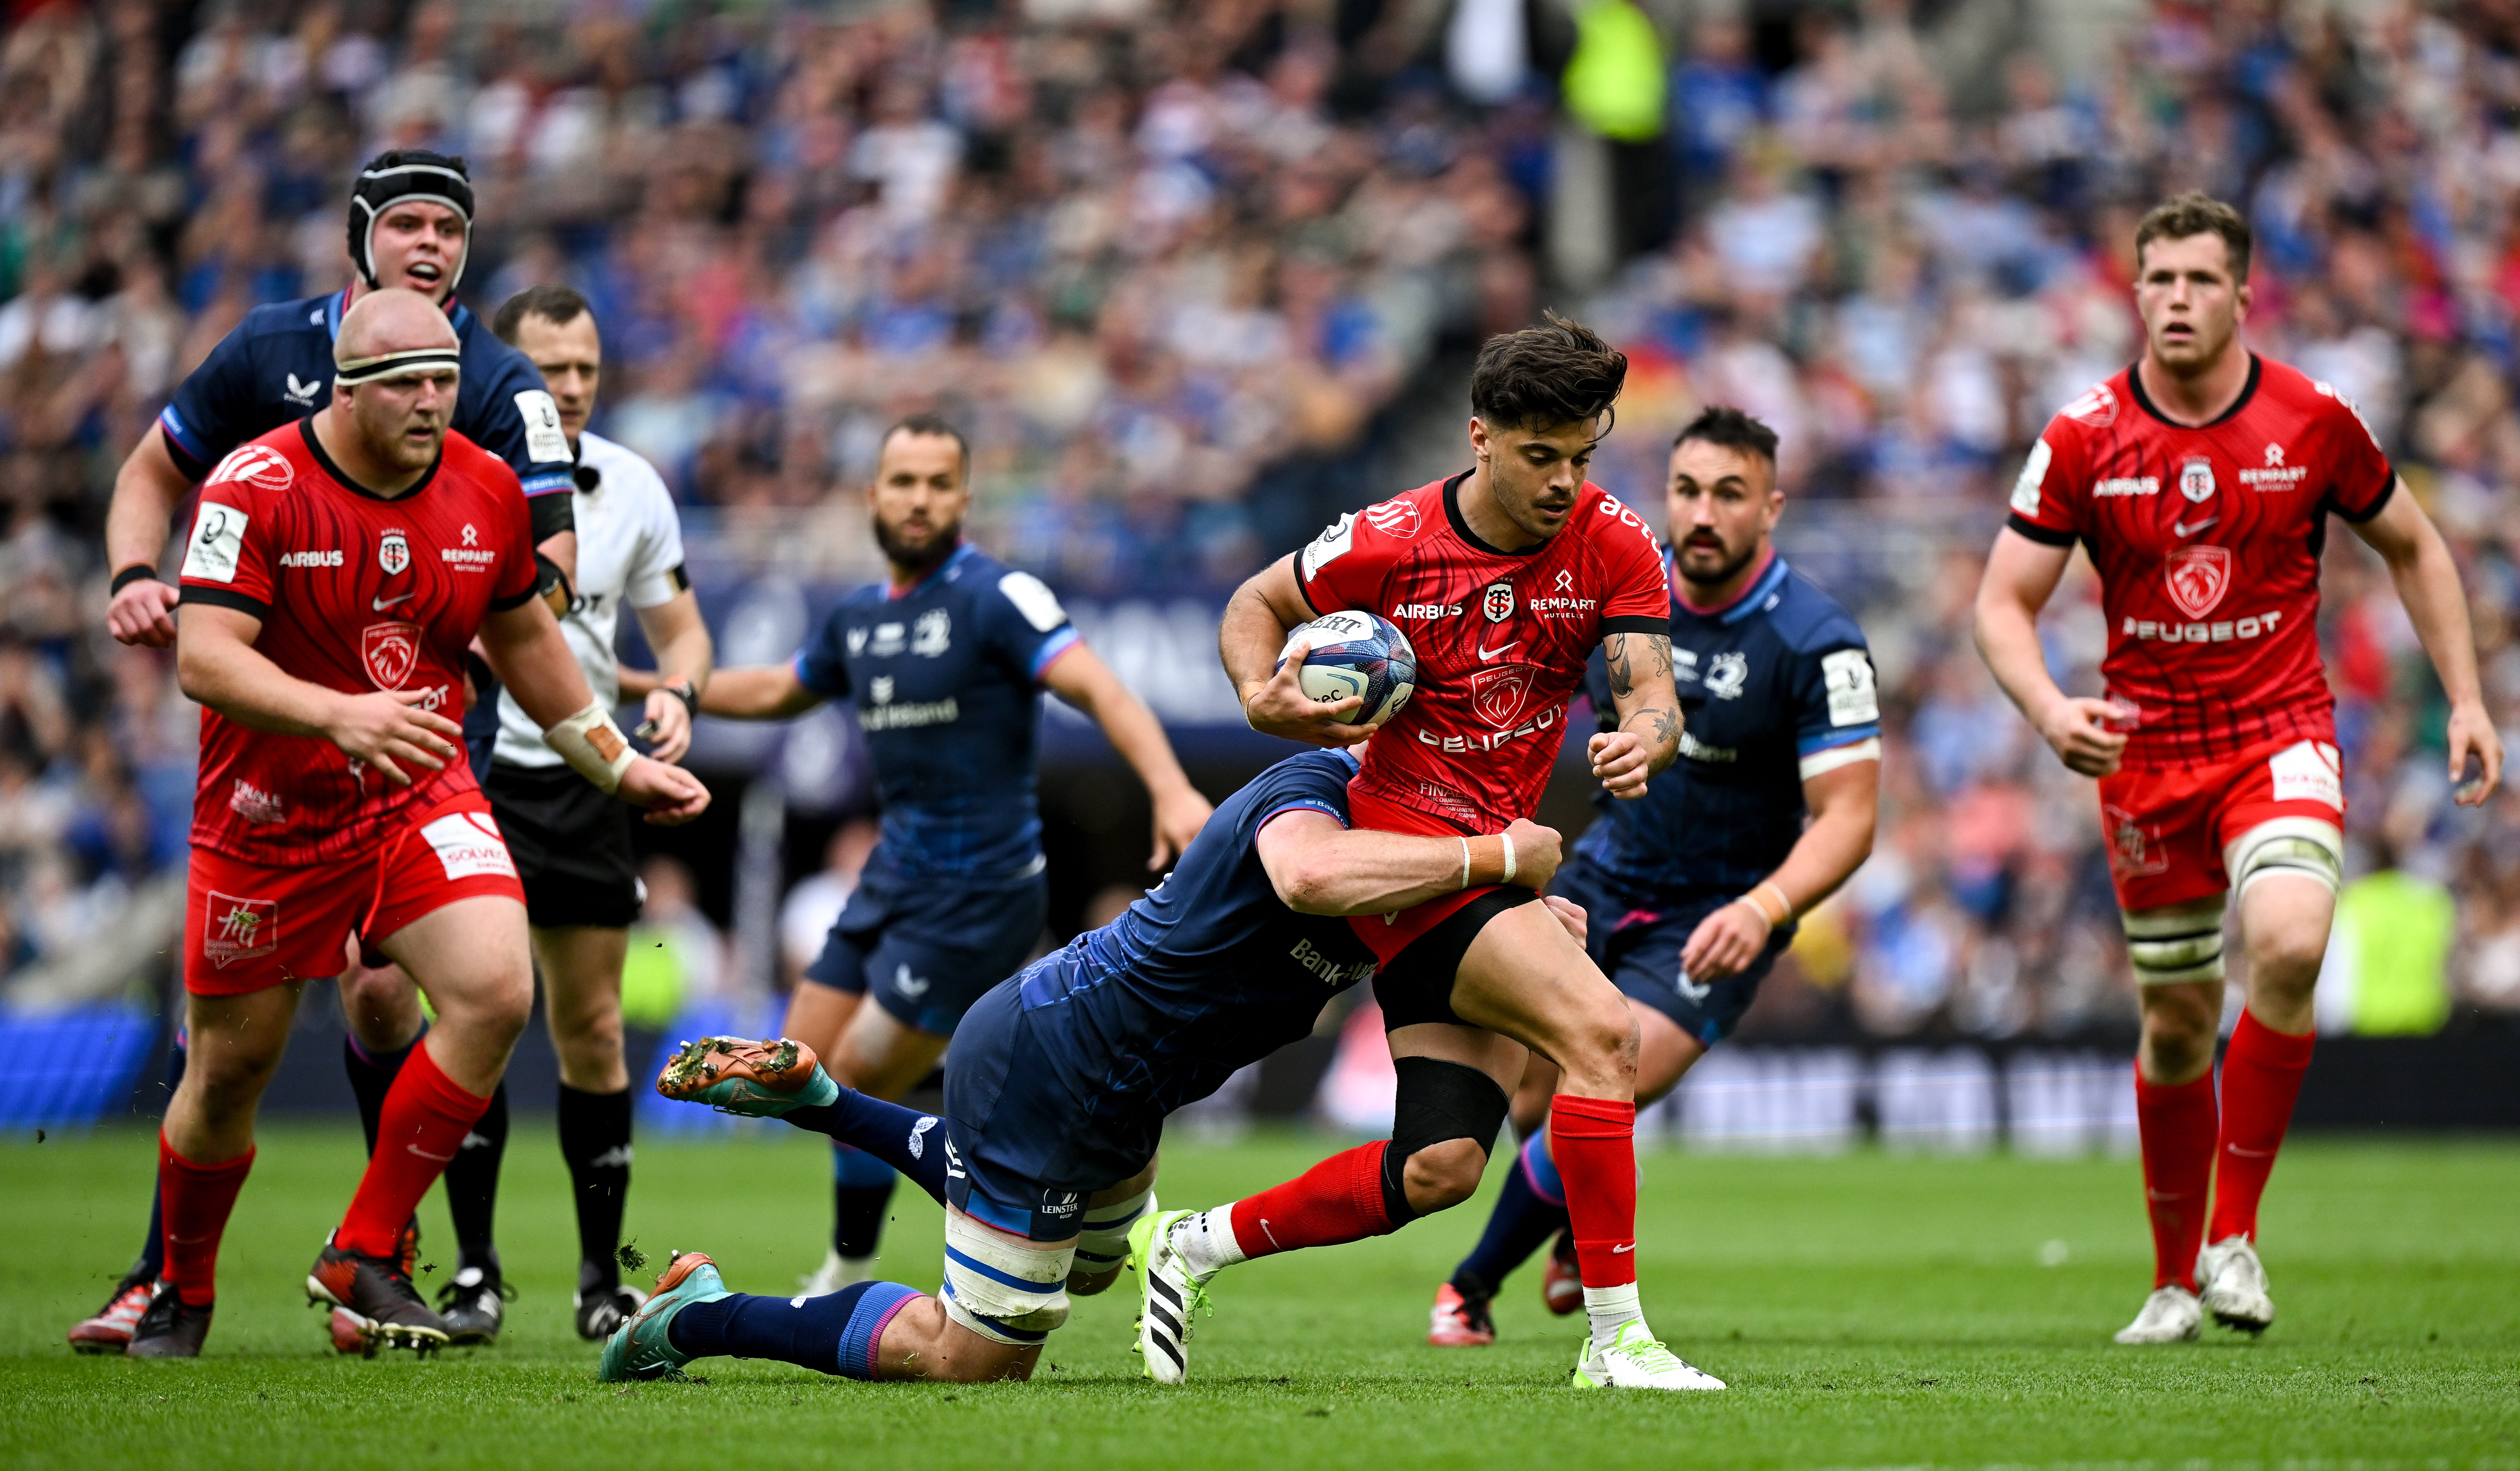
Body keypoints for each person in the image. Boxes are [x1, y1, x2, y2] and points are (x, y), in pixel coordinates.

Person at [119, 289, 707, 1359]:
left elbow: (532, 649)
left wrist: (616, 764)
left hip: (416, 791)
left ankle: (366, 1245)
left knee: (494, 987)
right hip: (266, 818)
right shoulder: (254, 484)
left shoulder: (484, 487)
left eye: (446, 381)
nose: (436, 403)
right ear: (347, 390)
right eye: (409, 385)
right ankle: (179, 1287)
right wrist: (341, 713)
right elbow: (205, 658)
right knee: (227, 1073)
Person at [599, 745, 1570, 1385]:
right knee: (969, 1360)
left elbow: (1445, 920)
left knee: (1098, 1269)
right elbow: (1313, 875)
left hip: (1123, 1097)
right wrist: (1495, 862)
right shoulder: (1313, 794)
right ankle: (698, 1314)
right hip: (1051, 1064)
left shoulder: (1424, 850)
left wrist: (1524, 919)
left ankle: (824, 1100)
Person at [73, 148, 582, 1355]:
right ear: (360, 240)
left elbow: (544, 580)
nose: (429, 245)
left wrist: (417, 623)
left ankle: (399, 1259)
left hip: (425, 739)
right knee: (230, 1052)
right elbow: (156, 473)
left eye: (449, 229)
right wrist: (141, 575)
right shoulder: (267, 352)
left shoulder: (500, 382)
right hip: (272, 760)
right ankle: (169, 1278)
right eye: (404, 222)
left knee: (426, 984)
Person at [1972, 192, 2502, 1345]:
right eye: (2157, 280)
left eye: (2199, 281)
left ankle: (2235, 1237)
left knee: (2295, 943)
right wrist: (2049, 705)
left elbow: (2414, 541)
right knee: (2173, 1027)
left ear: (2243, 293)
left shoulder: (2313, 420)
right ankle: (2172, 1280)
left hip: (2278, 733)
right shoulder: (2082, 433)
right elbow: (2002, 604)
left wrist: (2465, 697)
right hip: (2148, 761)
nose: (2175, 300)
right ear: (2135, 292)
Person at [1150, 313, 1696, 1391]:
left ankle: (1191, 1244)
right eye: (1541, 457)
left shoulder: (1618, 541)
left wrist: (1646, 739)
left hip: (1500, 862)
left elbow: (1655, 691)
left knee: (1440, 1167)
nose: (1562, 483)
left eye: (1581, 457)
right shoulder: (1390, 538)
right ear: (1480, 436)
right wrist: (1261, 697)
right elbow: (1256, 602)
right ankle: (1617, 1341)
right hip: (1409, 859)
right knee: (1602, 1033)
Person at [676, 414, 1213, 1295]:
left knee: (854, 1073)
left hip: (981, 892)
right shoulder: (859, 616)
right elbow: (778, 688)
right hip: (892, 878)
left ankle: (875, 1258)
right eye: (903, 481)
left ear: (964, 497)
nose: (919, 499)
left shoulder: (997, 596)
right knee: (793, 1065)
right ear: (873, 495)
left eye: (937, 483)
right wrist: (658, 687)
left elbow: (1099, 687)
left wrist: (1170, 788)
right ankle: (1054, 1173)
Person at [1429, 405, 1880, 1345]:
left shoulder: (1816, 641)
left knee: (1615, 1077)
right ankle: (1568, 1232)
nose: (1703, 513)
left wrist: (1765, 908)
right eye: (1687, 490)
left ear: (1773, 508)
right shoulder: (1626, 603)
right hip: (1605, 871)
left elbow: (1852, 817)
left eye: (1729, 494)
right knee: (1527, 1095)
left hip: (1719, 912)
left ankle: (1470, 1285)